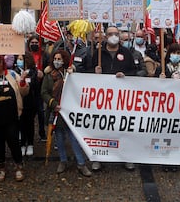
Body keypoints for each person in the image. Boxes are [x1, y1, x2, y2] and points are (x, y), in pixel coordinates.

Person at [91, 26, 136, 170]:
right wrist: (94, 72)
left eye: (116, 34)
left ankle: (126, 157)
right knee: (101, 127)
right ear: (105, 36)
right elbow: (85, 73)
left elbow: (134, 73)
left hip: (122, 100)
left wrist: (126, 76)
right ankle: (98, 157)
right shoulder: (98, 53)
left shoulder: (126, 53)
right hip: (103, 100)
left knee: (123, 128)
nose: (114, 36)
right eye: (111, 34)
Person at [41, 49, 92, 176]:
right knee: (59, 138)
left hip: (69, 111)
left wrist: (72, 75)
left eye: (60, 59)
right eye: (55, 59)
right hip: (56, 111)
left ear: (65, 60)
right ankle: (62, 161)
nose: (57, 61)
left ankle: (81, 163)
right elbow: (44, 93)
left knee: (74, 138)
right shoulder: (49, 76)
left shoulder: (70, 74)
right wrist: (53, 104)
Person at [14, 52, 43, 156]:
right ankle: (22, 144)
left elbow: (36, 86)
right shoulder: (15, 71)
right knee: (21, 124)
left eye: (22, 59)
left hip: (31, 102)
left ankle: (30, 144)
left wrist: (37, 77)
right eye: (18, 59)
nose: (20, 61)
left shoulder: (33, 72)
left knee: (29, 124)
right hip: (19, 103)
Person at [27, 34, 48, 141]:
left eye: (36, 43)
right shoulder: (26, 55)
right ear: (29, 44)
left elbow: (49, 66)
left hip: (40, 86)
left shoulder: (44, 55)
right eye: (32, 43)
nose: (34, 44)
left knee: (40, 111)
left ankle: (42, 133)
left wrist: (43, 72)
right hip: (29, 86)